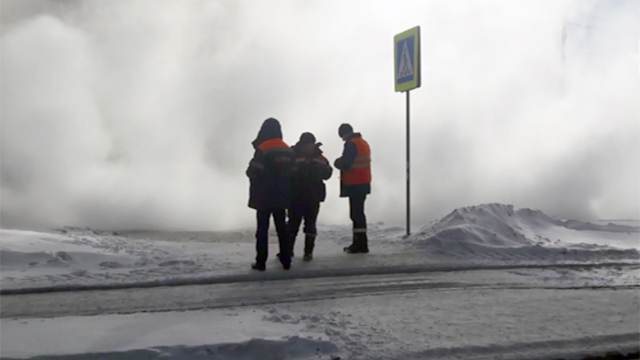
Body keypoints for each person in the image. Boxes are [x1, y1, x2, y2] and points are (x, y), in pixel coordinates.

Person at [246, 118, 294, 271]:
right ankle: (286, 260)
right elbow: (293, 173)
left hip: (264, 196)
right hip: (282, 196)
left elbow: (253, 170)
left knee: (262, 230)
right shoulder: (287, 149)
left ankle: (261, 262)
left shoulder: (263, 148)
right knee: (282, 229)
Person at [288, 132, 332, 261]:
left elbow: (328, 173)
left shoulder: (319, 157)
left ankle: (308, 253)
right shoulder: (293, 155)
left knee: (310, 225)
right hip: (296, 196)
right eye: (307, 144)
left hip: (312, 197)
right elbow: (286, 172)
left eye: (311, 144)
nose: (309, 147)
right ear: (302, 144)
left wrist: (318, 171)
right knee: (292, 225)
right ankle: (288, 251)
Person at [333, 123, 371, 254]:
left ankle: (359, 245)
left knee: (356, 215)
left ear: (344, 134)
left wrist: (337, 162)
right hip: (363, 183)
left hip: (355, 183)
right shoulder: (363, 142)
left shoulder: (351, 144)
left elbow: (346, 163)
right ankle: (362, 243)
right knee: (359, 214)